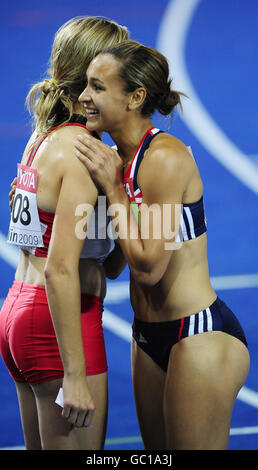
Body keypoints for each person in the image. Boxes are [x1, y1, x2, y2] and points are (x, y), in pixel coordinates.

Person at [74, 40, 250, 450]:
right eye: (87, 85)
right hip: (147, 336)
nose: (84, 98)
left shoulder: (164, 158)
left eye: (97, 87)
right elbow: (116, 264)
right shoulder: (119, 158)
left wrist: (115, 191)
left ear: (135, 97)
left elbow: (149, 267)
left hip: (198, 335)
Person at [0, 17, 128, 450]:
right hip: (60, 324)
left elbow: (104, 262)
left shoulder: (44, 136)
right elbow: (60, 270)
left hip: (19, 312)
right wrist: (74, 375)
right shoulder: (81, 154)